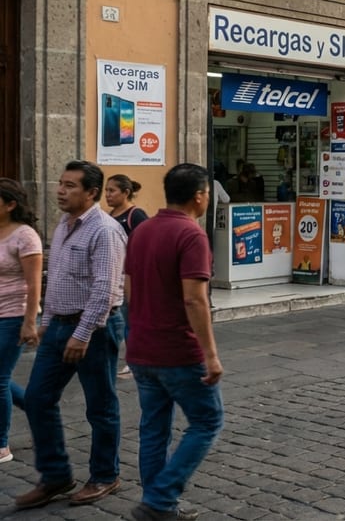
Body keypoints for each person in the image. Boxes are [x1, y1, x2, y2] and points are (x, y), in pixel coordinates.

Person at [17, 161, 126, 509]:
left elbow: (105, 290)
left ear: (91, 193)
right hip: (60, 325)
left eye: (70, 186)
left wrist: (81, 335)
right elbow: (60, 278)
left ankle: (105, 475)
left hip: (94, 327)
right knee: (37, 398)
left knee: (100, 406)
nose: (60, 191)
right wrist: (47, 320)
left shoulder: (104, 231)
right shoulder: (65, 225)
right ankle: (56, 475)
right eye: (61, 184)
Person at [123, 163, 225, 521]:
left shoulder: (143, 230)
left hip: (141, 347)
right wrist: (210, 355)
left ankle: (159, 505)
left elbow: (130, 289)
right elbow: (194, 299)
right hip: (178, 351)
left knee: (154, 427)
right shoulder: (192, 235)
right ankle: (161, 497)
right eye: (208, 194)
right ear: (199, 196)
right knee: (207, 421)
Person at [0, 179, 42, 464]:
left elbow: (34, 283)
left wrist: (29, 321)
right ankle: (40, 411)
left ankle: (2, 445)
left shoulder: (25, 236)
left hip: (13, 315)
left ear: (10, 204)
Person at [106, 174, 147, 379]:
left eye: (112, 190)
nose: (107, 195)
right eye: (106, 190)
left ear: (126, 192)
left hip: (130, 277)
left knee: (128, 320)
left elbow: (146, 244)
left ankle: (135, 361)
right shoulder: (110, 215)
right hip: (113, 276)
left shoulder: (135, 215)